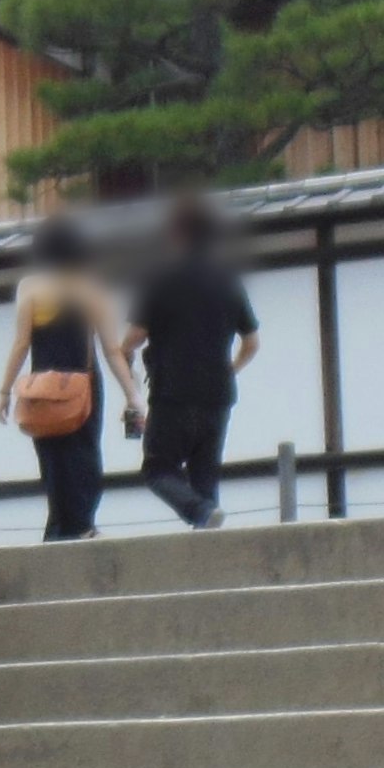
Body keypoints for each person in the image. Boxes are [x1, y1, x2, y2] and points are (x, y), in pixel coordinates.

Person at [0, 214, 140, 541]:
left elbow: (22, 343)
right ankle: (82, 525)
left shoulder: (30, 287)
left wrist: (5, 391)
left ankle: (59, 526)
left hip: (40, 388)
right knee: (83, 454)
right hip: (83, 385)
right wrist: (132, 395)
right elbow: (111, 349)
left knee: (52, 458)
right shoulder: (91, 287)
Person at [122, 195, 260, 528]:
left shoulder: (160, 278)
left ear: (177, 234)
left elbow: (133, 338)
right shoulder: (228, 280)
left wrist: (125, 361)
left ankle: (199, 514)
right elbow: (252, 342)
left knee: (158, 469)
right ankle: (209, 541)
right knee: (205, 478)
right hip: (218, 394)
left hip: (173, 393)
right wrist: (230, 369)